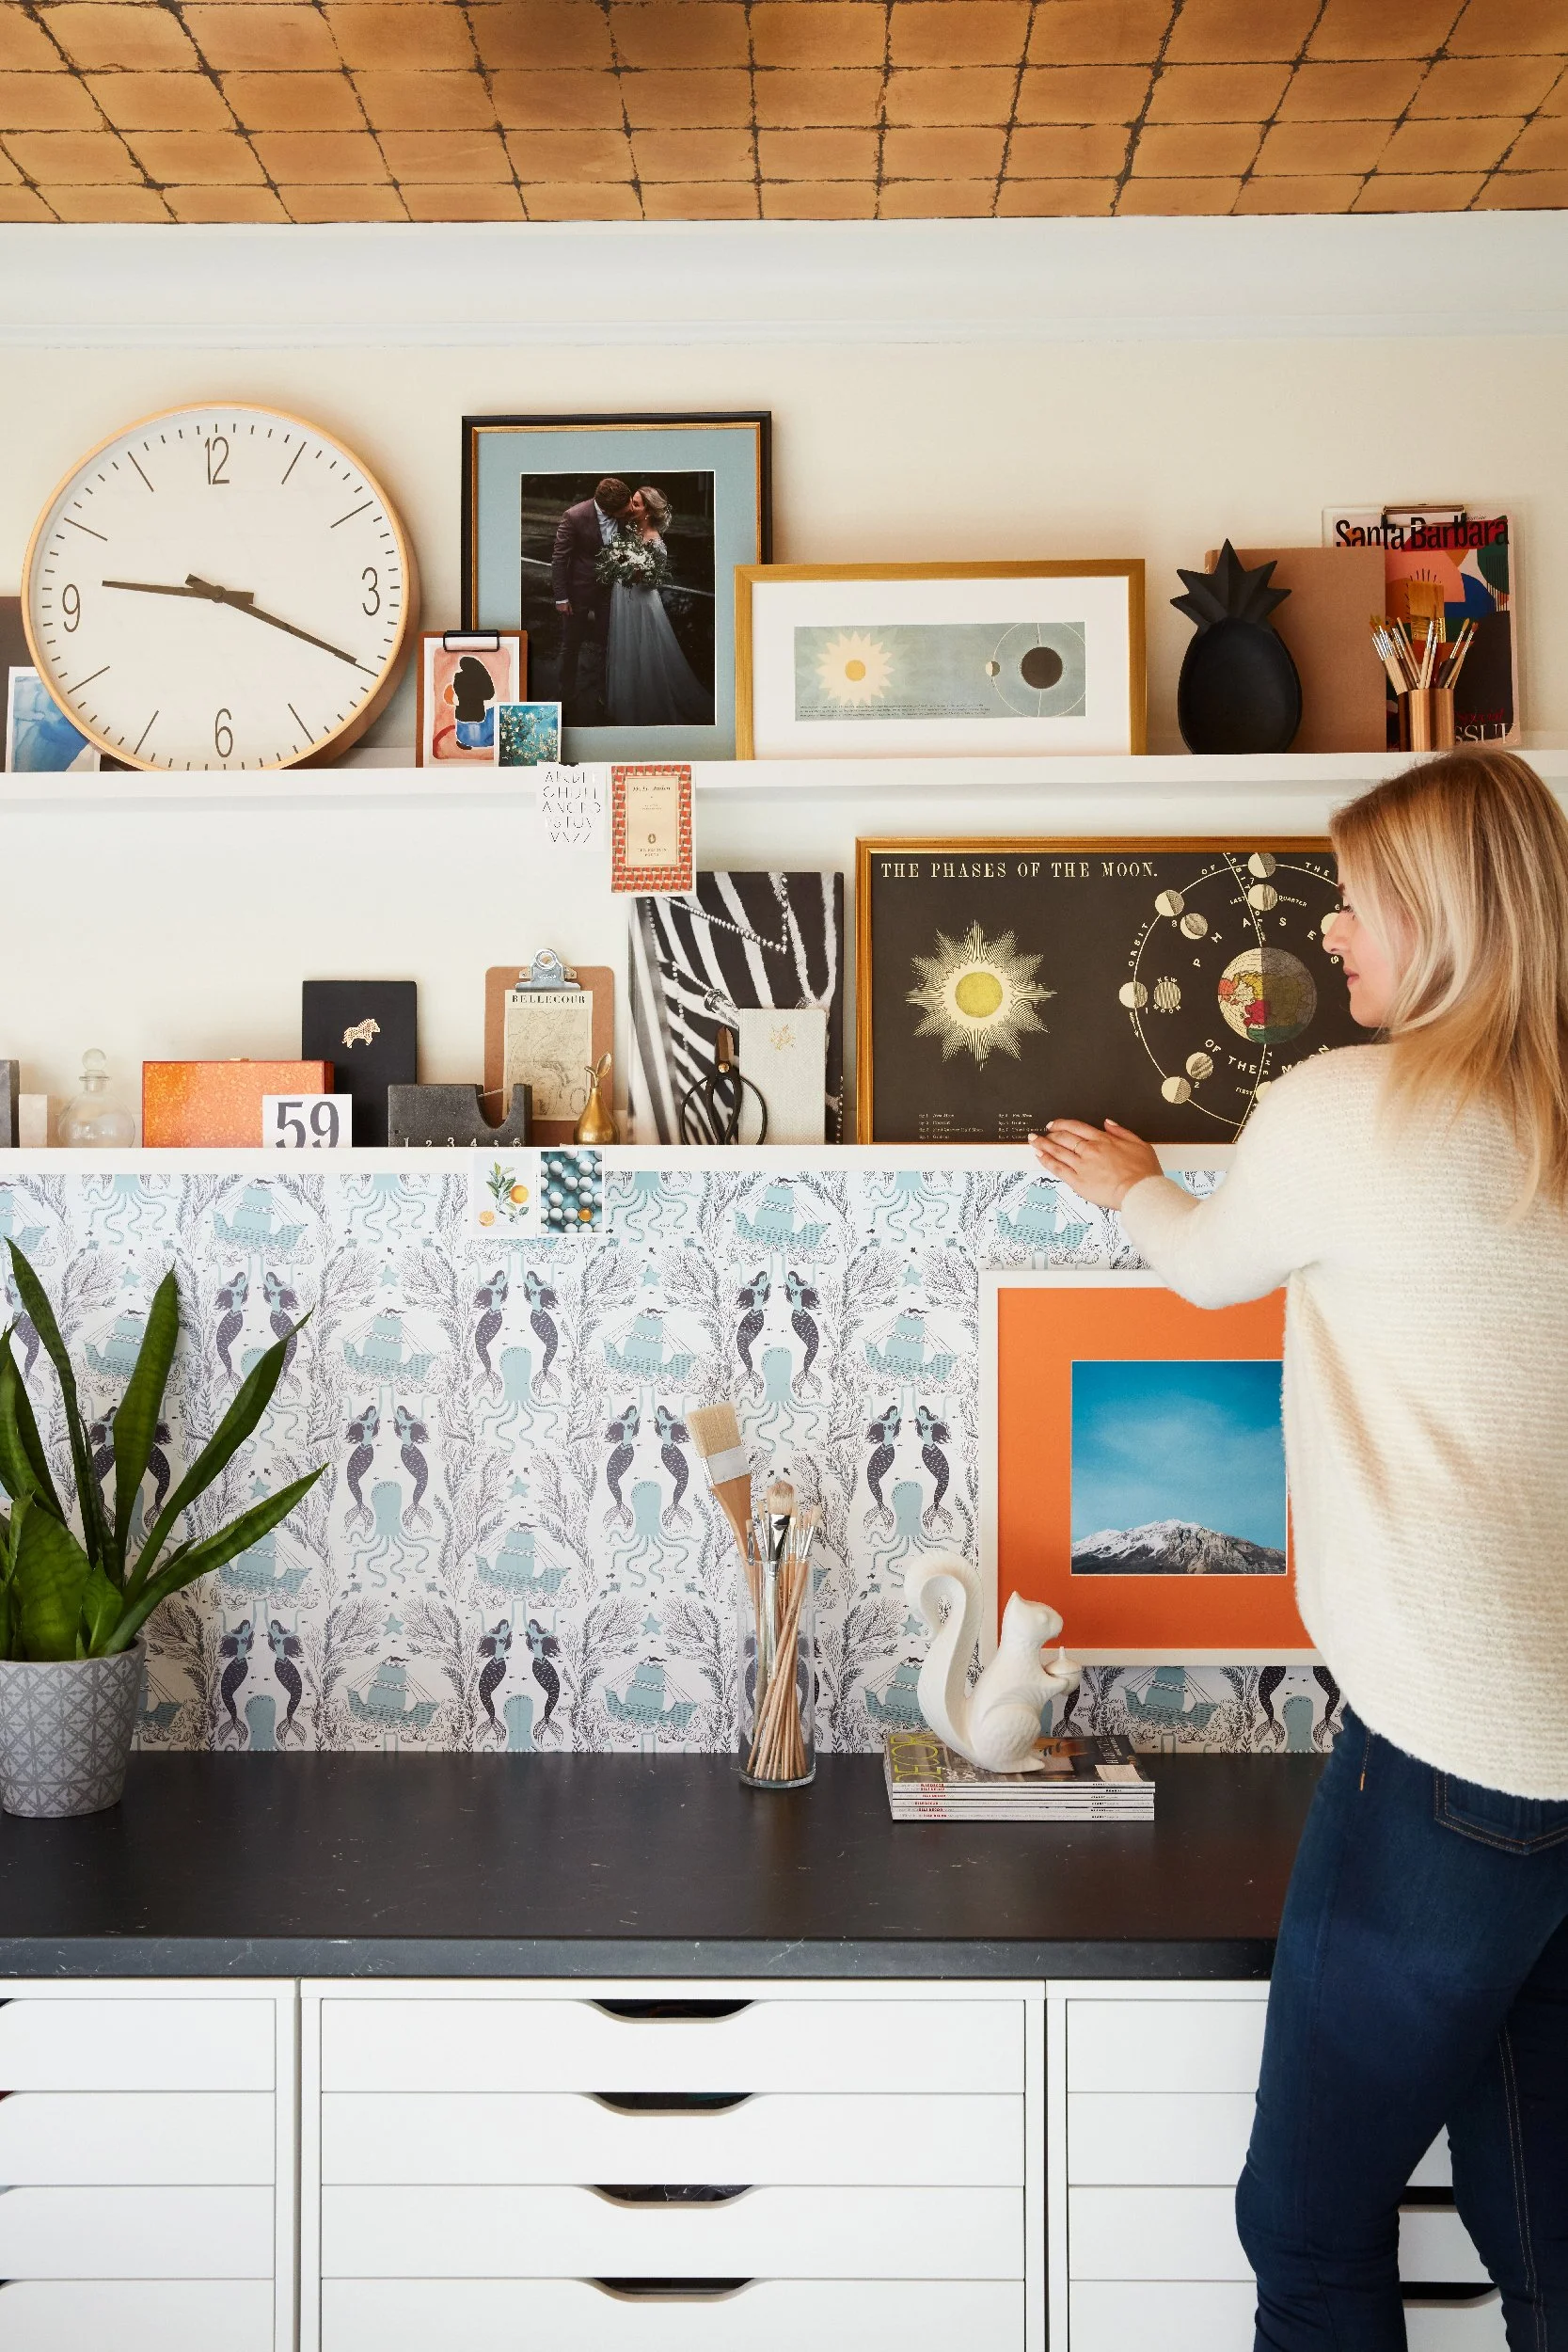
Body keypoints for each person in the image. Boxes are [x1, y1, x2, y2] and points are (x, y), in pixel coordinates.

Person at [1029, 750, 1568, 2352]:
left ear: (1443, 916)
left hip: (1452, 1761)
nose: (1330, 935)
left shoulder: (1347, 1107)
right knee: (1537, 2204)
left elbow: (1205, 1272)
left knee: (1310, 2221)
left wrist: (1132, 1184)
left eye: (1357, 903)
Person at [602, 485, 712, 727]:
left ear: (648, 512)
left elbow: (654, 580)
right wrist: (618, 564)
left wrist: (636, 572)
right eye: (632, 501)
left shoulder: (656, 542)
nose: (631, 507)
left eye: (637, 504)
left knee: (646, 649)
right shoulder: (629, 531)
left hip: (641, 601)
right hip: (623, 596)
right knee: (626, 646)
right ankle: (627, 700)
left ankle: (648, 704)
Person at [551, 476, 631, 721]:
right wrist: (561, 597)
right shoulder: (574, 516)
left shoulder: (625, 513)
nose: (627, 512)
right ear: (606, 508)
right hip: (578, 592)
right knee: (571, 645)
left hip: (610, 591)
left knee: (610, 642)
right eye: (622, 511)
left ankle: (605, 693)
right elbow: (559, 559)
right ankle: (565, 695)